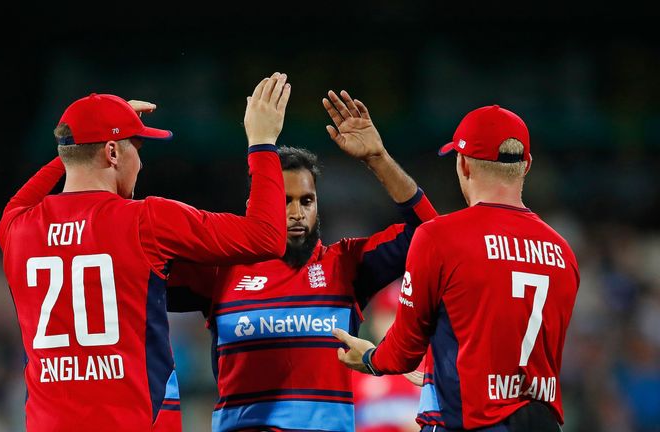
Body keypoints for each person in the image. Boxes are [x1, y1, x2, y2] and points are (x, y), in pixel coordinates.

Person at [0, 72, 291, 432]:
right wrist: (262, 142)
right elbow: (267, 237)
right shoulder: (146, 219)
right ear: (114, 152)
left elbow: (21, 199)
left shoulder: (16, 229)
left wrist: (77, 147)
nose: (142, 162)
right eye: (138, 147)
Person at [166, 90, 438, 431]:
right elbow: (135, 273)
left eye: (306, 201)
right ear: (260, 202)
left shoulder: (345, 266)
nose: (296, 213)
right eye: (284, 200)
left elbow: (429, 234)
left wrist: (378, 158)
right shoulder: (220, 270)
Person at [334, 105, 580, 432]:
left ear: (462, 164)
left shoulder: (440, 238)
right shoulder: (563, 252)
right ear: (527, 166)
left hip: (464, 422)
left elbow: (402, 353)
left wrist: (369, 359)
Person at [352, 282, 424, 432]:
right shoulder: (355, 372)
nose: (394, 326)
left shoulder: (432, 371)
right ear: (374, 323)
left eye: (401, 318)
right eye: (388, 316)